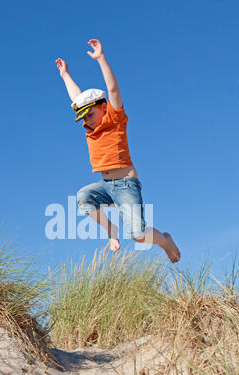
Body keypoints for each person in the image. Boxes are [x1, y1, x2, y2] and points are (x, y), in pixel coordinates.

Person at [55, 39, 181, 263]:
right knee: (84, 196)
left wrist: (101, 59)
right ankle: (110, 230)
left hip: (126, 185)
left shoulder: (115, 118)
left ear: (103, 107)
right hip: (106, 185)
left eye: (90, 115)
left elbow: (112, 89)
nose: (87, 121)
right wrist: (65, 75)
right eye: (83, 118)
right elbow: (77, 99)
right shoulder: (90, 126)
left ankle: (165, 240)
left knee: (139, 236)